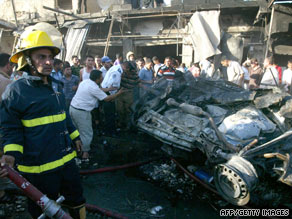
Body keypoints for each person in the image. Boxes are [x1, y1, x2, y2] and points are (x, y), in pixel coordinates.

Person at [0, 30, 85, 218]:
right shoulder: (16, 92)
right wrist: (11, 155)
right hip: (39, 170)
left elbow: (63, 115)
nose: (48, 62)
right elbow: (10, 129)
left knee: (77, 200)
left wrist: (75, 136)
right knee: (43, 212)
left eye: (50, 57)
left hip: (67, 162)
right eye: (41, 57)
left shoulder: (55, 85)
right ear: (28, 60)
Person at [70, 70, 124, 160]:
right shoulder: (93, 87)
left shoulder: (86, 82)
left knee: (76, 131)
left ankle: (75, 149)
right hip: (82, 112)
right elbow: (107, 99)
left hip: (73, 108)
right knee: (86, 133)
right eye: (101, 77)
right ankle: (85, 154)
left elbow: (98, 90)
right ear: (98, 79)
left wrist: (109, 89)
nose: (103, 78)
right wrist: (119, 93)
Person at [116, 62, 140, 130]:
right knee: (119, 109)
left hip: (129, 93)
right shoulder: (121, 73)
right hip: (120, 93)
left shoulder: (135, 75)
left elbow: (139, 83)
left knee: (128, 110)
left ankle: (127, 125)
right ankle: (120, 122)